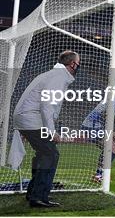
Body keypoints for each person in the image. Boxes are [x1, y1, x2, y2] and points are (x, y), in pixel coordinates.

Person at [12, 50, 80, 208]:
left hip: (26, 119)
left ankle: (33, 194)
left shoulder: (52, 75)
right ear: (72, 64)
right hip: (31, 119)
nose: (79, 66)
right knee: (51, 154)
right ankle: (38, 197)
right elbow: (47, 105)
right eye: (78, 62)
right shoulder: (58, 77)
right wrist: (51, 131)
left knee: (44, 153)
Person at [80, 81, 115, 182]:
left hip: (89, 126)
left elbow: (107, 120)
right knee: (112, 149)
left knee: (109, 149)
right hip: (92, 127)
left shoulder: (112, 100)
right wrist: (111, 133)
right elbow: (103, 119)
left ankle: (98, 174)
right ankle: (99, 175)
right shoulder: (113, 101)